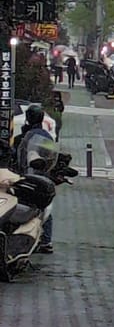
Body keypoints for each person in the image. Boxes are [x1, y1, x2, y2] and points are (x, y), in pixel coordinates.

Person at [17, 104, 57, 254]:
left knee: (39, 207)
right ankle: (46, 239)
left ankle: (42, 239)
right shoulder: (46, 136)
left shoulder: (29, 135)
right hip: (41, 175)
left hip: (30, 174)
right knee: (44, 207)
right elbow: (50, 152)